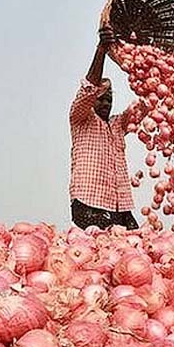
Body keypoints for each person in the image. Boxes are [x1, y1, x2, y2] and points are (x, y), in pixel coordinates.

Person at [68, 26, 145, 230]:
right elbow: (88, 88)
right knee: (100, 254)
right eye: (101, 99)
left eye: (110, 99)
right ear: (92, 101)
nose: (106, 103)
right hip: (89, 203)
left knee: (134, 251)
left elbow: (145, 106)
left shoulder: (117, 124)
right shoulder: (80, 118)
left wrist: (155, 78)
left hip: (121, 206)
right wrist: (101, 50)